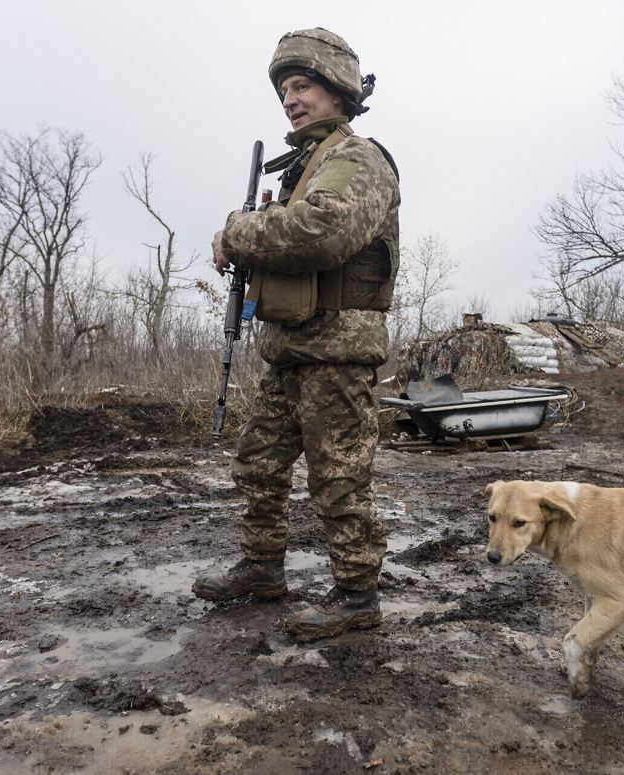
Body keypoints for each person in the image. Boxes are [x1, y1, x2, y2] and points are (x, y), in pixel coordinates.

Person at [194, 27, 400, 642]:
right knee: (258, 465)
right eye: (285, 89)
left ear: (337, 90)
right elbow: (289, 239)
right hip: (290, 350)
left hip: (336, 354)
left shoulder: (357, 160)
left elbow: (323, 232)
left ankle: (358, 594)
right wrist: (247, 245)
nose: (291, 99)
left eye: (302, 85)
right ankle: (262, 569)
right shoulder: (303, 169)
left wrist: (238, 232)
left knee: (339, 477)